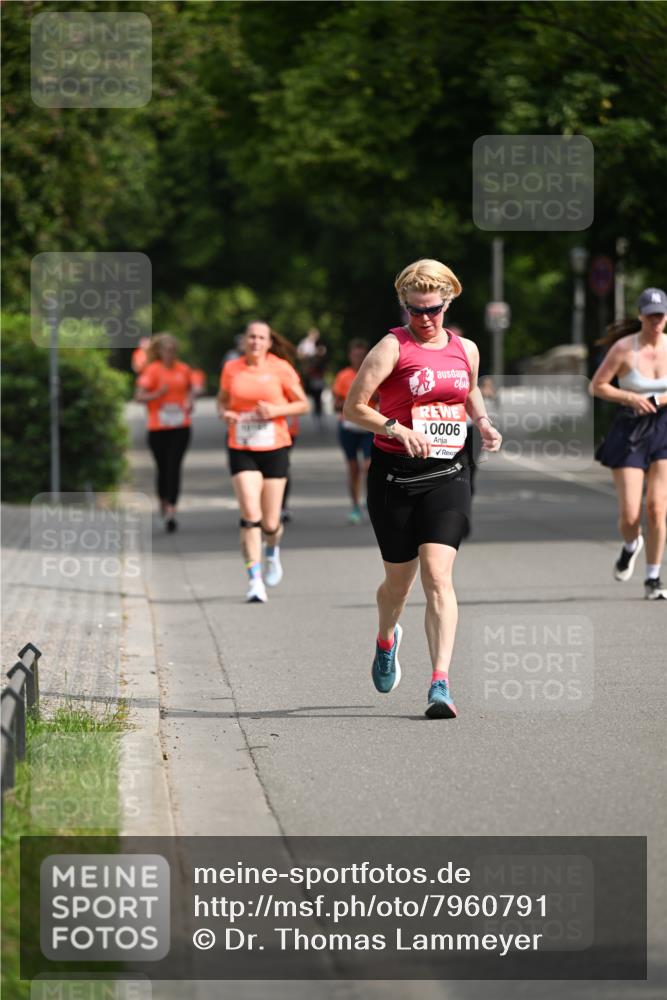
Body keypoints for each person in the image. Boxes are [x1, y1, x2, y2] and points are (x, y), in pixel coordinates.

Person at [343, 259, 502, 718]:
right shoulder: (391, 348)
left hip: (449, 474)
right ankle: (387, 637)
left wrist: (484, 423)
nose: (425, 319)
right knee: (398, 583)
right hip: (395, 477)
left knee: (438, 576)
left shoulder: (465, 348)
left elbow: (467, 389)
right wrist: (394, 427)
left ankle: (439, 684)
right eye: (415, 311)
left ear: (448, 303)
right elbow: (355, 408)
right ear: (404, 307)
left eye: (433, 309)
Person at [218, 321, 308, 603]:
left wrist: (276, 410)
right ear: (244, 341)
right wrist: (226, 414)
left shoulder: (280, 367)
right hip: (241, 445)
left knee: (271, 522)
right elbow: (222, 402)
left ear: (269, 342)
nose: (255, 342)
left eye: (261, 337)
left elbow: (303, 404)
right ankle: (254, 580)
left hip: (274, 446)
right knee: (249, 514)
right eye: (251, 337)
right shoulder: (231, 368)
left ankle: (272, 551)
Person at [590, 287, 667, 600]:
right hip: (630, 429)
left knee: (658, 508)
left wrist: (660, 398)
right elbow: (598, 386)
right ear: (640, 316)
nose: (655, 320)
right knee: (631, 514)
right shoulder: (624, 348)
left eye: (660, 314)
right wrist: (631, 397)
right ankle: (630, 544)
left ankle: (653, 578)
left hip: (663, 426)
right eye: (650, 315)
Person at [135, 333, 194, 532]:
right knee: (162, 467)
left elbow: (191, 390)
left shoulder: (183, 369)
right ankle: (163, 500)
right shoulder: (152, 370)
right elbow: (139, 397)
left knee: (174, 466)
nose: (170, 354)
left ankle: (171, 509)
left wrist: (190, 401)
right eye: (166, 350)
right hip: (158, 427)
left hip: (180, 426)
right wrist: (157, 394)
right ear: (159, 351)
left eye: (172, 350)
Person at [332, 340, 376, 524]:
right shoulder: (343, 376)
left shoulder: (373, 373)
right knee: (353, 470)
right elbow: (336, 403)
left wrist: (368, 395)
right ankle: (356, 506)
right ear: (350, 356)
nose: (358, 359)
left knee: (368, 466)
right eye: (355, 355)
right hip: (349, 428)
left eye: (361, 355)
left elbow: (382, 397)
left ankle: (370, 500)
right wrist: (350, 402)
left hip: (368, 427)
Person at [298, 327, 328, 431]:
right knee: (312, 396)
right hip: (309, 374)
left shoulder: (319, 344)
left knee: (317, 397)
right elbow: (300, 355)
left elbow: (324, 356)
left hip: (317, 375)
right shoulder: (305, 343)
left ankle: (318, 417)